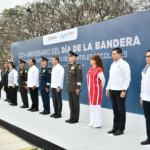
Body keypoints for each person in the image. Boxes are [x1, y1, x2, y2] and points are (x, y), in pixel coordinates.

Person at [106, 47, 131, 136]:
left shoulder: (124, 64)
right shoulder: (112, 64)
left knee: (121, 109)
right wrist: (107, 88)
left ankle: (121, 129)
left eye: (114, 54)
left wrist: (124, 90)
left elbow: (127, 79)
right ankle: (115, 127)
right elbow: (110, 77)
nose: (113, 55)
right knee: (115, 109)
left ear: (120, 54)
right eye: (112, 54)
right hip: (112, 89)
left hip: (120, 90)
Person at [87, 55, 105, 128]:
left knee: (97, 106)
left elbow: (103, 81)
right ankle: (92, 122)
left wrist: (99, 88)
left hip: (96, 90)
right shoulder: (90, 69)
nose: (90, 61)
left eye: (92, 59)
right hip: (90, 90)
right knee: (92, 106)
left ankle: (98, 123)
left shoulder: (99, 69)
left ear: (95, 61)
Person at [66, 51, 82, 124]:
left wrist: (78, 88)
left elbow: (79, 78)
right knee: (71, 104)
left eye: (70, 56)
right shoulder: (69, 65)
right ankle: (71, 117)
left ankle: (75, 118)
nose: (69, 58)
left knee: (75, 103)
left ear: (74, 57)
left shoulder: (77, 65)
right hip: (69, 87)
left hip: (75, 88)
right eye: (69, 56)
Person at [140, 50, 150, 145]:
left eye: (149, 56)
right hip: (146, 99)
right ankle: (149, 138)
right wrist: (142, 97)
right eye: (146, 56)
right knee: (148, 119)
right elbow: (143, 84)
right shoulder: (145, 69)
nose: (147, 58)